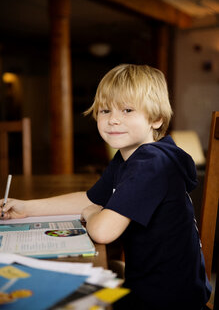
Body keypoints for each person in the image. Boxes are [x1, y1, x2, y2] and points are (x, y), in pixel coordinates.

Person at [0, 64, 211, 309]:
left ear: (156, 119)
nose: (113, 119)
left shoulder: (152, 163)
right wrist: (26, 207)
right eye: (105, 110)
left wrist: (91, 213)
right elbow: (90, 198)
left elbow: (102, 231)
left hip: (168, 300)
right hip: (155, 287)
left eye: (127, 109)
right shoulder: (128, 158)